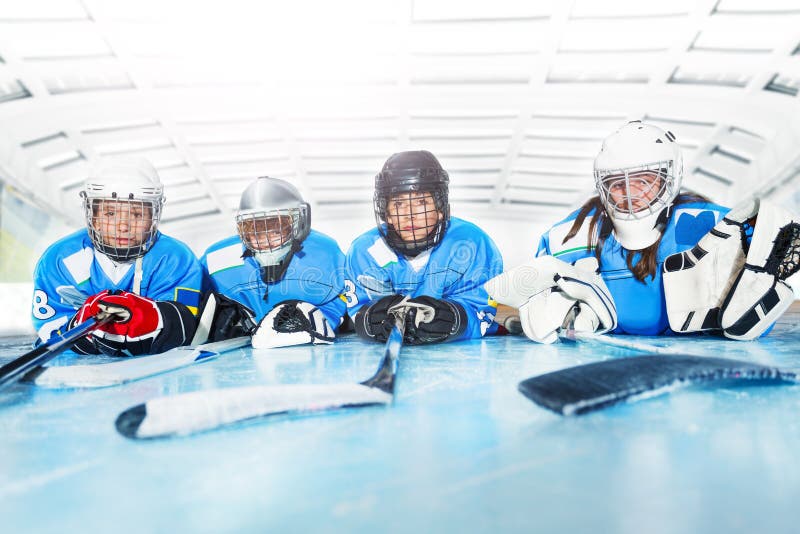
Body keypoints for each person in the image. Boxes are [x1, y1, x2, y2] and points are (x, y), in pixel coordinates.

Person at [487, 120, 799, 342]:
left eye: (644, 181)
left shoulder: (713, 226)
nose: (630, 194)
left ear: (670, 179)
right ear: (602, 187)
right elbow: (543, 307)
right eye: (616, 183)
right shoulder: (567, 236)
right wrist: (558, 318)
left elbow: (758, 301)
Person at [31, 158, 202, 356]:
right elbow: (50, 336)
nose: (122, 226)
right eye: (110, 213)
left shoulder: (175, 259)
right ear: (92, 215)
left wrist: (146, 317)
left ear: (153, 216)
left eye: (136, 215)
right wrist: (80, 325)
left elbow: (182, 328)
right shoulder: (59, 260)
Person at [346, 150, 502, 345]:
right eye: (399, 203)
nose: (409, 214)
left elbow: (480, 310)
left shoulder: (471, 243)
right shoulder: (364, 251)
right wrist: (370, 320)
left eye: (421, 202)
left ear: (440, 209)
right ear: (387, 213)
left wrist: (454, 319)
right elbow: (359, 310)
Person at [199, 176, 346, 348]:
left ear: (299, 224)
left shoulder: (325, 252)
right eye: (255, 231)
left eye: (275, 230)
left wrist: (321, 318)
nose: (264, 240)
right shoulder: (217, 258)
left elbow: (344, 301)